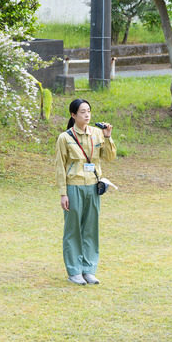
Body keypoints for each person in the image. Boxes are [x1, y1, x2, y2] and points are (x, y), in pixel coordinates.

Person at [54, 98, 116, 285]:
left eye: (88, 111)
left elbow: (110, 157)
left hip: (92, 186)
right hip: (74, 187)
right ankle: (74, 271)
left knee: (90, 229)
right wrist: (63, 193)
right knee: (73, 229)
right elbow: (60, 167)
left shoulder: (97, 134)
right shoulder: (64, 138)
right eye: (82, 111)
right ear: (73, 115)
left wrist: (107, 136)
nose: (87, 114)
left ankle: (89, 270)